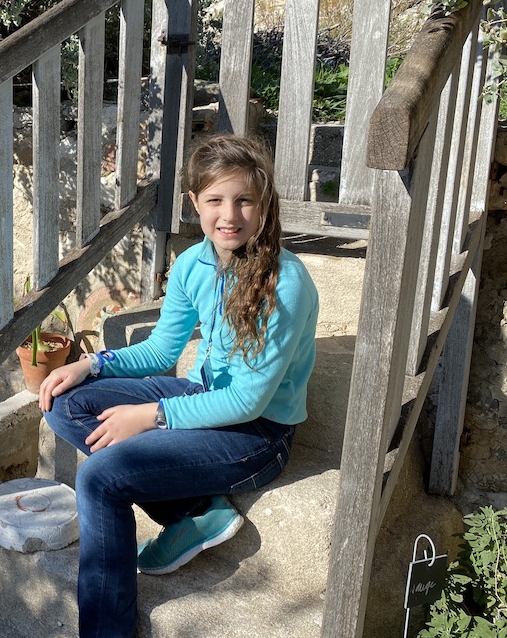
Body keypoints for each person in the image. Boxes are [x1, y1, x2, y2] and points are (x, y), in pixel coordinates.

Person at [40, 134, 319, 638]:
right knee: (62, 404)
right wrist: (91, 365)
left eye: (244, 200)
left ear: (265, 203)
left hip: (257, 435)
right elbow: (161, 353)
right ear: (194, 203)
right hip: (200, 396)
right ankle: (196, 511)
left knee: (101, 478)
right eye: (214, 200)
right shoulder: (193, 264)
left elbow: (247, 400)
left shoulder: (287, 283)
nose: (229, 215)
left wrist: (148, 418)